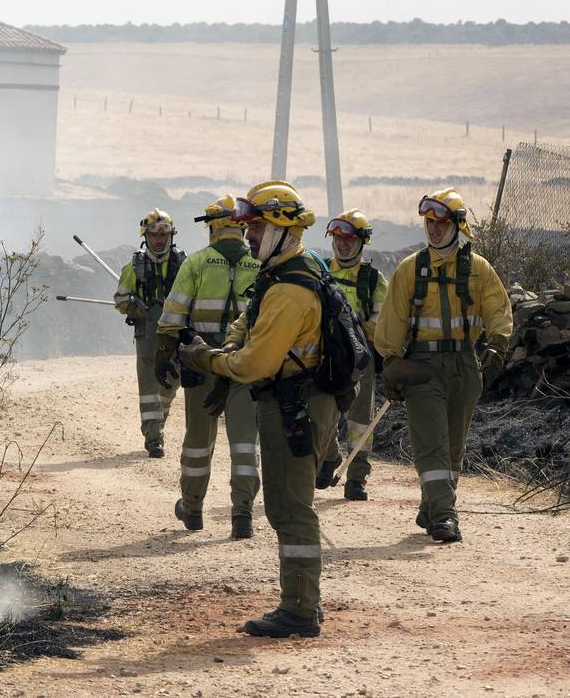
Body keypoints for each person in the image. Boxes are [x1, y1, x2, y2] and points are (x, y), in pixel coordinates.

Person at [179, 181, 338, 638]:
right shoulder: (287, 270)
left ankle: (300, 610)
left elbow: (257, 362)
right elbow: (248, 320)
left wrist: (209, 359)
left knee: (289, 507)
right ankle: (303, 602)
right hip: (296, 400)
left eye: (255, 226)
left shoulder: (290, 288)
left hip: (296, 404)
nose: (246, 234)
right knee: (289, 504)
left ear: (281, 227)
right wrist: (231, 340)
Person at [373, 189, 513, 544]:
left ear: (456, 224)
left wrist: (497, 344)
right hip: (422, 368)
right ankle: (446, 517)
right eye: (428, 222)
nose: (433, 229)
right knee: (431, 443)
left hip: (465, 365)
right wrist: (391, 364)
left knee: (453, 447)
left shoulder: (479, 269)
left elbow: (498, 308)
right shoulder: (409, 270)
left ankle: (431, 506)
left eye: (440, 222)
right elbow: (390, 324)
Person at [156, 196, 262, 538]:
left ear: (214, 227)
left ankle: (192, 508)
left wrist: (164, 353)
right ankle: (242, 513)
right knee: (245, 443)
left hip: (201, 362)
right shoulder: (262, 265)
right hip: (245, 364)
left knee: (198, 440)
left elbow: (173, 315)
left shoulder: (197, 263)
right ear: (243, 227)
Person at [313, 209, 388, 501]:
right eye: (338, 238)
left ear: (361, 242)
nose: (343, 244)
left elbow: (380, 322)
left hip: (359, 356)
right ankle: (327, 459)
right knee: (324, 410)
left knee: (360, 419)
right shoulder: (321, 270)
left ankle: (356, 477)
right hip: (326, 354)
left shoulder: (373, 280)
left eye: (349, 239)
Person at [114, 209, 186, 457]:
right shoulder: (135, 266)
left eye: (163, 234)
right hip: (147, 334)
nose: (159, 240)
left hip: (176, 332)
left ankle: (160, 419)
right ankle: (154, 438)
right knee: (149, 387)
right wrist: (134, 309)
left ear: (171, 235)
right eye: (154, 235)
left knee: (171, 384)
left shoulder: (183, 264)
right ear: (146, 236)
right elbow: (120, 299)